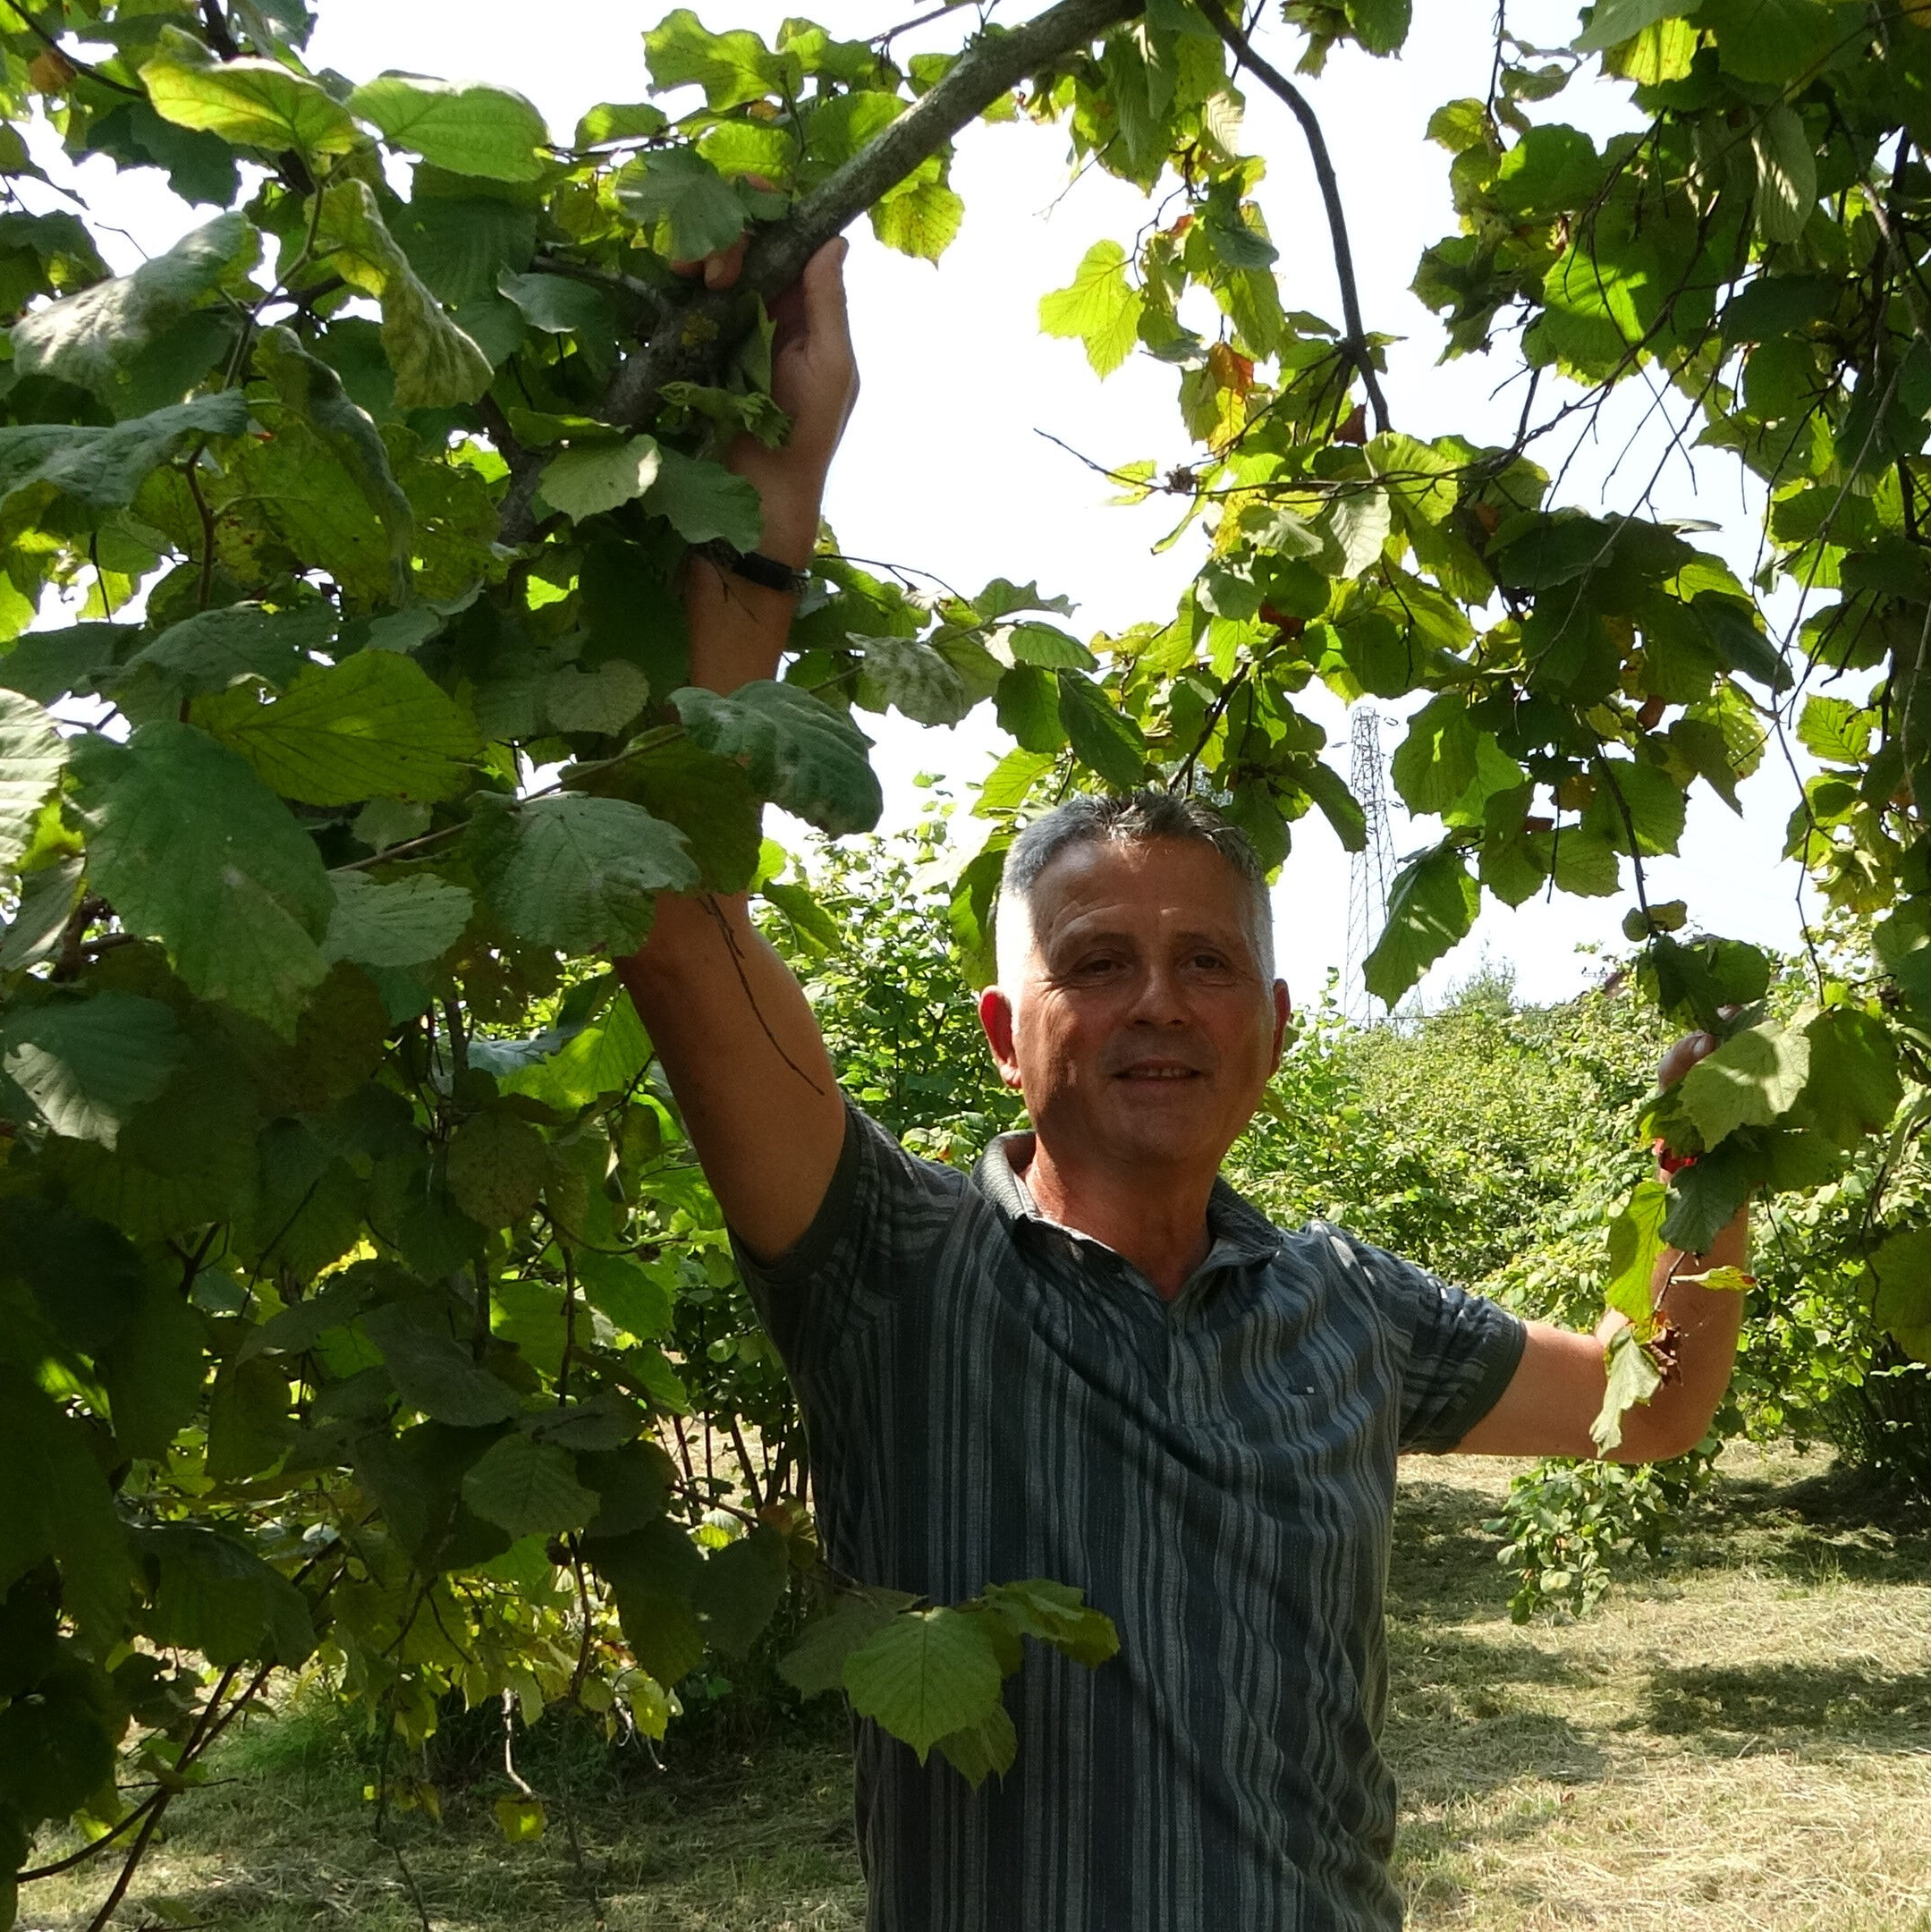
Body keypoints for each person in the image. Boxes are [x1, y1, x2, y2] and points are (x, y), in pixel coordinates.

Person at [615, 233, 1753, 1932]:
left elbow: (1651, 1406)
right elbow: (671, 905)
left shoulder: (1346, 1309)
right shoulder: (890, 1274)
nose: (1159, 1003)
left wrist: (1709, 1177)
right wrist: (783, 485)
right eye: (1095, 963)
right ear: (1009, 1032)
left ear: (1274, 1030)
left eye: (1207, 963)